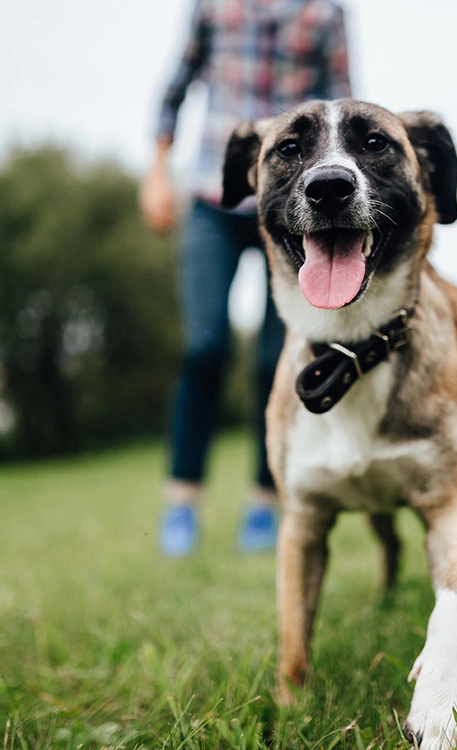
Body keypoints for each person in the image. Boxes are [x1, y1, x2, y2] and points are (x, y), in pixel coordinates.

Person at [141, 0, 352, 556]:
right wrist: (157, 172)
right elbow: (176, 87)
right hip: (214, 196)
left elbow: (343, 105)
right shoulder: (213, 5)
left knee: (275, 358)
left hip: (291, 203)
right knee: (203, 347)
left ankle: (264, 502)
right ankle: (181, 502)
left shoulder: (325, 12)